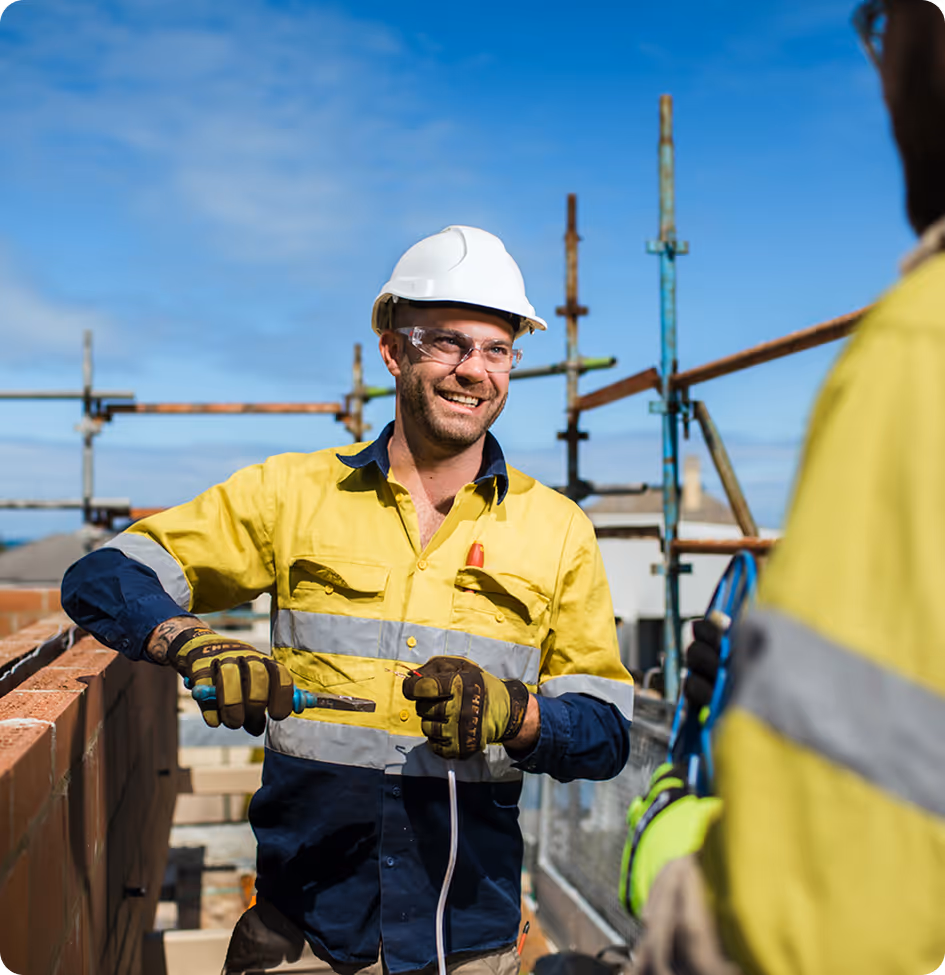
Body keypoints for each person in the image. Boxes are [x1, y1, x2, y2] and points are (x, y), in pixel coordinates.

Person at [61, 225, 635, 975]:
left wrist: (513, 712)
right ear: (394, 351)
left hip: (465, 943)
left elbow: (605, 730)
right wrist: (191, 642)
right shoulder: (292, 494)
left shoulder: (556, 529)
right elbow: (104, 576)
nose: (474, 371)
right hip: (304, 936)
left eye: (496, 349)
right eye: (447, 345)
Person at [621, 2, 945, 973]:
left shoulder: (919, 353)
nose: (884, 78)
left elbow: (819, 917)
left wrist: (671, 836)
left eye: (888, 30)